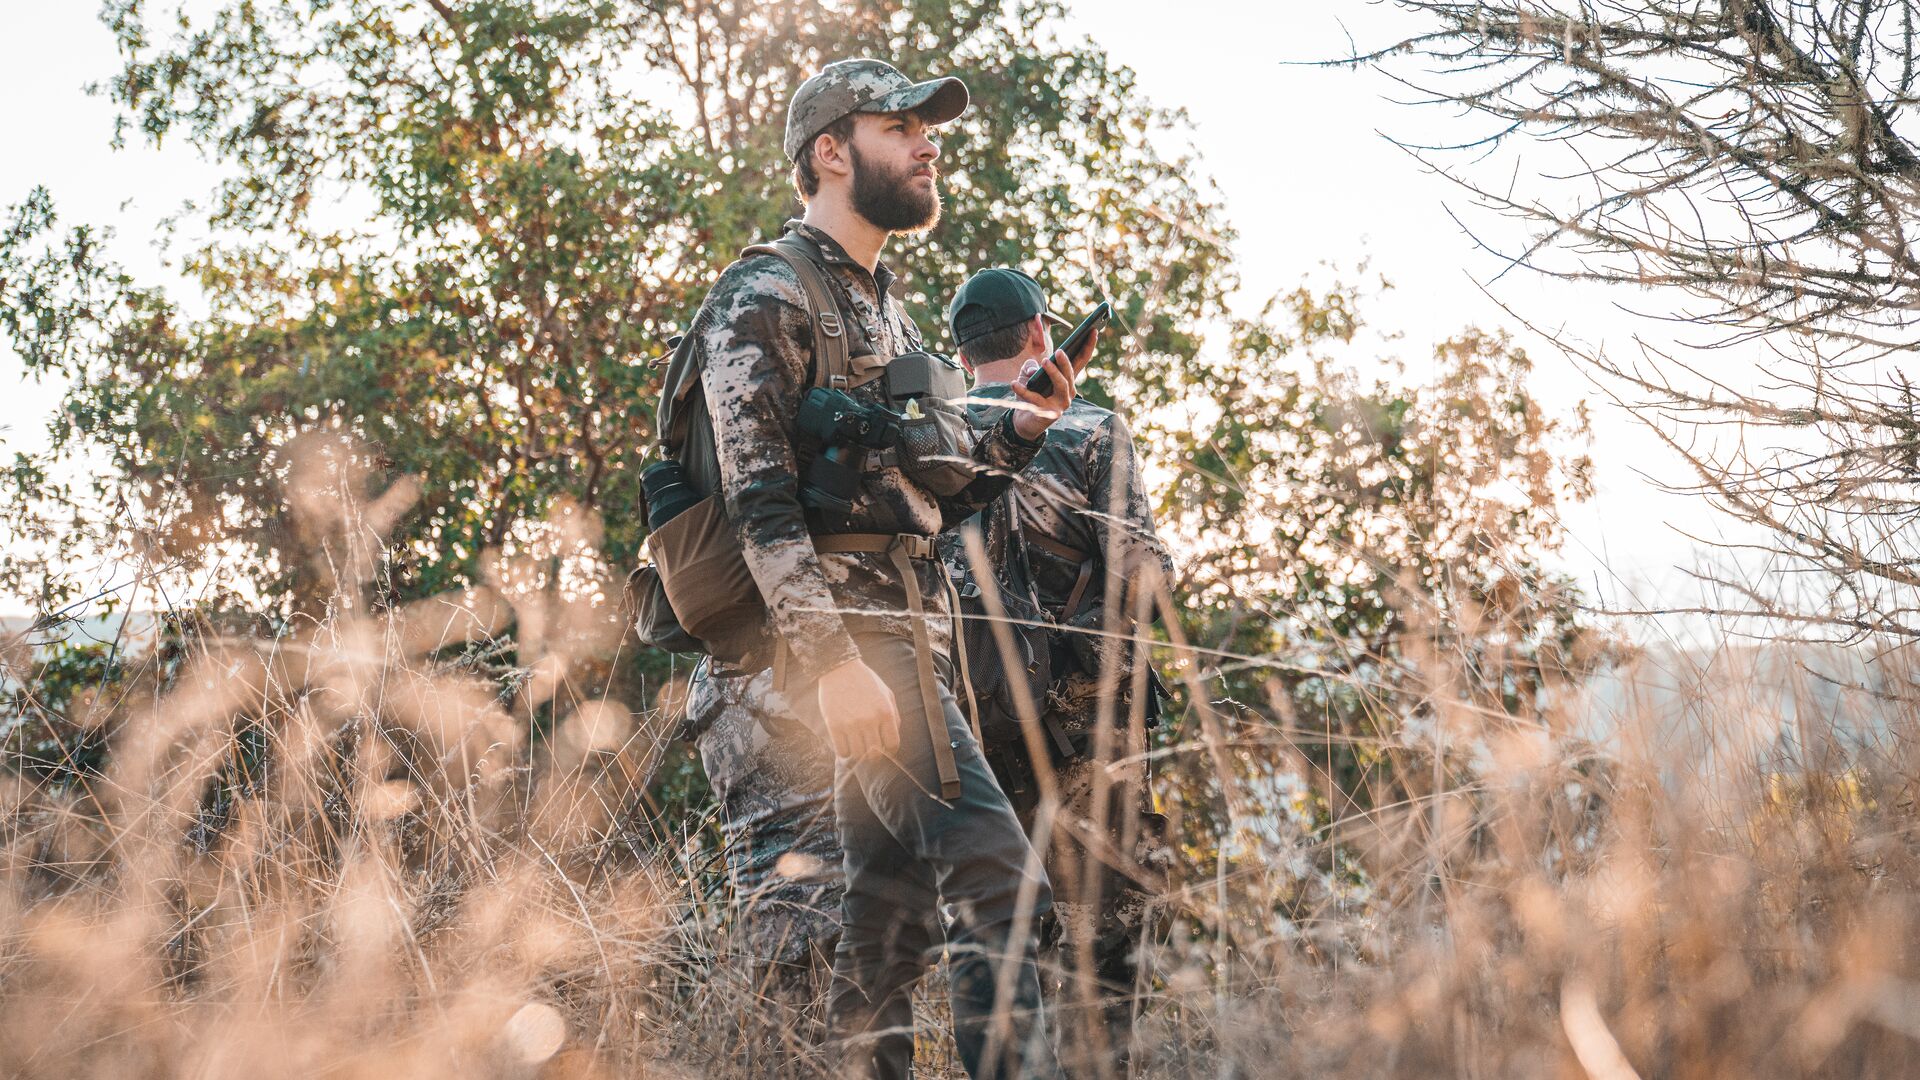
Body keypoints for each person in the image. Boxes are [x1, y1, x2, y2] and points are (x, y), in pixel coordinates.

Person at [680, 57, 1082, 1080]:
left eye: (926, 126)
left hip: (906, 649)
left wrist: (1025, 432)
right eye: (900, 125)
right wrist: (833, 664)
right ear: (829, 152)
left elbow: (932, 495)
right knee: (995, 881)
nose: (926, 141)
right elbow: (759, 504)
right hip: (840, 665)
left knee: (884, 947)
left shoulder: (892, 316)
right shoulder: (764, 294)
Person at [944, 268, 1177, 1073]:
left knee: (997, 931)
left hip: (966, 726)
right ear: (1042, 335)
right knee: (1110, 932)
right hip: (1086, 721)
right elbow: (1144, 578)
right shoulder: (1089, 428)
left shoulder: (930, 434)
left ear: (964, 350)